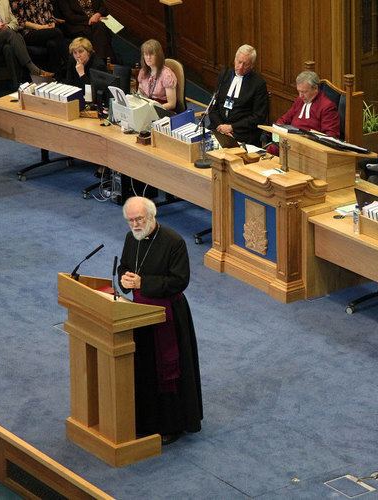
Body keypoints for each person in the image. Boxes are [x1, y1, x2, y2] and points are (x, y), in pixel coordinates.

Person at [117, 196, 203, 445]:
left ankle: (171, 424)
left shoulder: (174, 242)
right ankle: (145, 420)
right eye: (130, 220)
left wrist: (144, 283)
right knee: (145, 368)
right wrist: (124, 278)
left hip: (168, 315)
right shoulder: (130, 238)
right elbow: (124, 266)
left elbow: (179, 281)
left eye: (139, 219)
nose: (134, 225)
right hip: (138, 313)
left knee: (167, 371)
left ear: (152, 217)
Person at [266, 70, 340, 155]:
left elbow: (331, 136)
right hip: (291, 141)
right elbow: (284, 119)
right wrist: (278, 129)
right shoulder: (300, 100)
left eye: (304, 92)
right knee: (271, 150)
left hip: (310, 148)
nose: (300, 95)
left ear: (315, 88)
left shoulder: (327, 106)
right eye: (299, 91)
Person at [208, 44, 269, 146]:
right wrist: (221, 127)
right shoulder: (224, 75)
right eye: (239, 62)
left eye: (245, 64)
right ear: (234, 60)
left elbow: (258, 117)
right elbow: (213, 107)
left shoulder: (258, 84)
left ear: (252, 65)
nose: (240, 67)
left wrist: (232, 128)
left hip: (242, 133)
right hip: (219, 128)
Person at [10, 0, 65, 75]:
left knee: (52, 44)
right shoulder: (17, 1)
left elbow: (50, 16)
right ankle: (65, 66)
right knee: (57, 32)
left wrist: (51, 24)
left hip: (46, 31)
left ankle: (54, 75)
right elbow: (20, 21)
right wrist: (41, 27)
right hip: (28, 33)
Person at [137, 39, 177, 111]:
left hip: (162, 109)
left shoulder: (166, 75)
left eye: (151, 54)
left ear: (158, 56)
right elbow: (140, 94)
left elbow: (172, 104)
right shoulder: (143, 72)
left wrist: (151, 109)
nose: (148, 57)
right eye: (146, 54)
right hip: (147, 107)